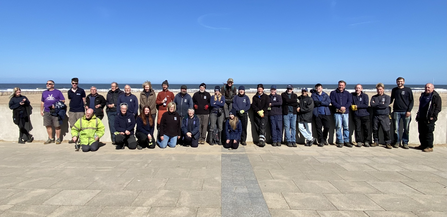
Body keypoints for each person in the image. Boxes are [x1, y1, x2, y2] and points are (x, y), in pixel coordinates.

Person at [415, 83, 442, 152]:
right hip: (421, 116)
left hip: (429, 118)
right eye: (426, 87)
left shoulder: (435, 96)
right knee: (421, 132)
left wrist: (433, 116)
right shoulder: (423, 95)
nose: (427, 89)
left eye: (429, 87)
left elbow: (438, 108)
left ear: (432, 88)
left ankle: (429, 146)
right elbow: (421, 106)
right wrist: (418, 114)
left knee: (428, 132)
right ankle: (423, 145)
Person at [390, 77, 414, 149]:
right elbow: (391, 99)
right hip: (396, 111)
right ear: (396, 82)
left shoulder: (408, 90)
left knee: (406, 129)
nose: (400, 83)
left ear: (404, 82)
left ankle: (405, 142)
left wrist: (409, 110)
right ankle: (397, 142)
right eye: (398, 81)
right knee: (396, 129)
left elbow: (411, 101)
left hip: (406, 112)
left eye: (401, 81)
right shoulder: (394, 90)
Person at [41, 80, 65, 144]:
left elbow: (63, 100)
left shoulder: (58, 92)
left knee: (57, 125)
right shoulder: (44, 93)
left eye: (49, 84)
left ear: (53, 85)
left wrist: (56, 105)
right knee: (48, 125)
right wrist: (41, 110)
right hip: (46, 111)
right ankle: (50, 138)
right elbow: (42, 102)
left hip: (55, 111)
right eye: (47, 84)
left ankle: (58, 138)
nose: (47, 85)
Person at [330, 80, 352, 148]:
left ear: (344, 86)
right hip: (337, 112)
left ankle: (347, 141)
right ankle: (340, 141)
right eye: (340, 85)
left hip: (346, 112)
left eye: (342, 85)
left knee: (346, 127)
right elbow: (332, 101)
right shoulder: (333, 93)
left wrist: (344, 107)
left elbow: (350, 102)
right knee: (338, 127)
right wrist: (339, 107)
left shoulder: (348, 93)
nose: (341, 86)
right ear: (338, 85)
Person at [370, 83, 392, 148]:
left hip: (384, 116)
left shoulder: (387, 97)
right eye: (378, 89)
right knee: (375, 129)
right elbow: (372, 105)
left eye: (380, 89)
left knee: (386, 129)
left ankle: (388, 143)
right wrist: (380, 104)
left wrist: (376, 104)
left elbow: (385, 105)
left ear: (383, 89)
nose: (379, 91)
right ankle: (376, 142)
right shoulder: (374, 97)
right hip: (376, 115)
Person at [67, 78, 86, 143]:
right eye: (73, 83)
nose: (74, 84)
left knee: (81, 125)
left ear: (77, 83)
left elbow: (84, 99)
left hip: (80, 110)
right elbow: (70, 100)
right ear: (71, 83)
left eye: (76, 83)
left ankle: (81, 138)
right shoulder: (69, 91)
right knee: (72, 125)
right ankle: (74, 138)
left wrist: (85, 107)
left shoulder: (81, 90)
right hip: (72, 111)